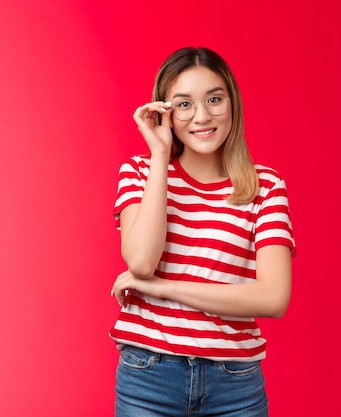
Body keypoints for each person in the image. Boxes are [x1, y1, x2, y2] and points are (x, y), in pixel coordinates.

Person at [110, 46, 296, 417]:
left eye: (214, 99)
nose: (202, 116)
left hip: (235, 385)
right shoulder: (140, 172)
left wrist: (163, 289)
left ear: (232, 103)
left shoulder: (265, 186)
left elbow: (274, 298)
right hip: (148, 378)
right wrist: (160, 154)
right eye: (183, 104)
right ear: (164, 112)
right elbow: (142, 262)